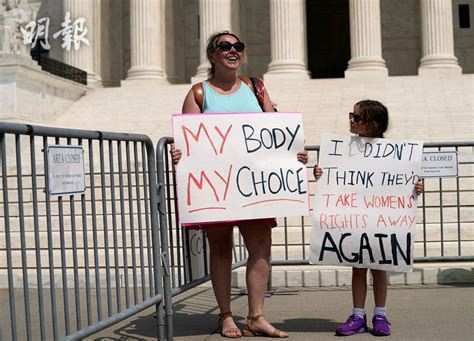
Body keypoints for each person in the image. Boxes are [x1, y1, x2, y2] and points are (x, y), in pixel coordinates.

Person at [171, 31, 308, 338]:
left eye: (238, 47)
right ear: (212, 55)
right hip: (217, 189)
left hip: (255, 187)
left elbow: (275, 131)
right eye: (225, 47)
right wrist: (179, 152)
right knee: (220, 249)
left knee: (260, 248)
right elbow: (187, 141)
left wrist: (293, 153)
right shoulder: (199, 93)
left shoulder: (255, 87)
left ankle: (256, 316)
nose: (233, 51)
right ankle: (226, 316)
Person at [313, 100, 423, 337]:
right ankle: (358, 315)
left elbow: (404, 183)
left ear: (372, 124)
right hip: (356, 219)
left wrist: (415, 187)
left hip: (380, 219)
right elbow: (334, 178)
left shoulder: (395, 154)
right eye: (351, 115)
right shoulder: (343, 149)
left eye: (355, 116)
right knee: (358, 268)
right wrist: (321, 173)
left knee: (380, 267)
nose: (350, 119)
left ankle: (380, 315)